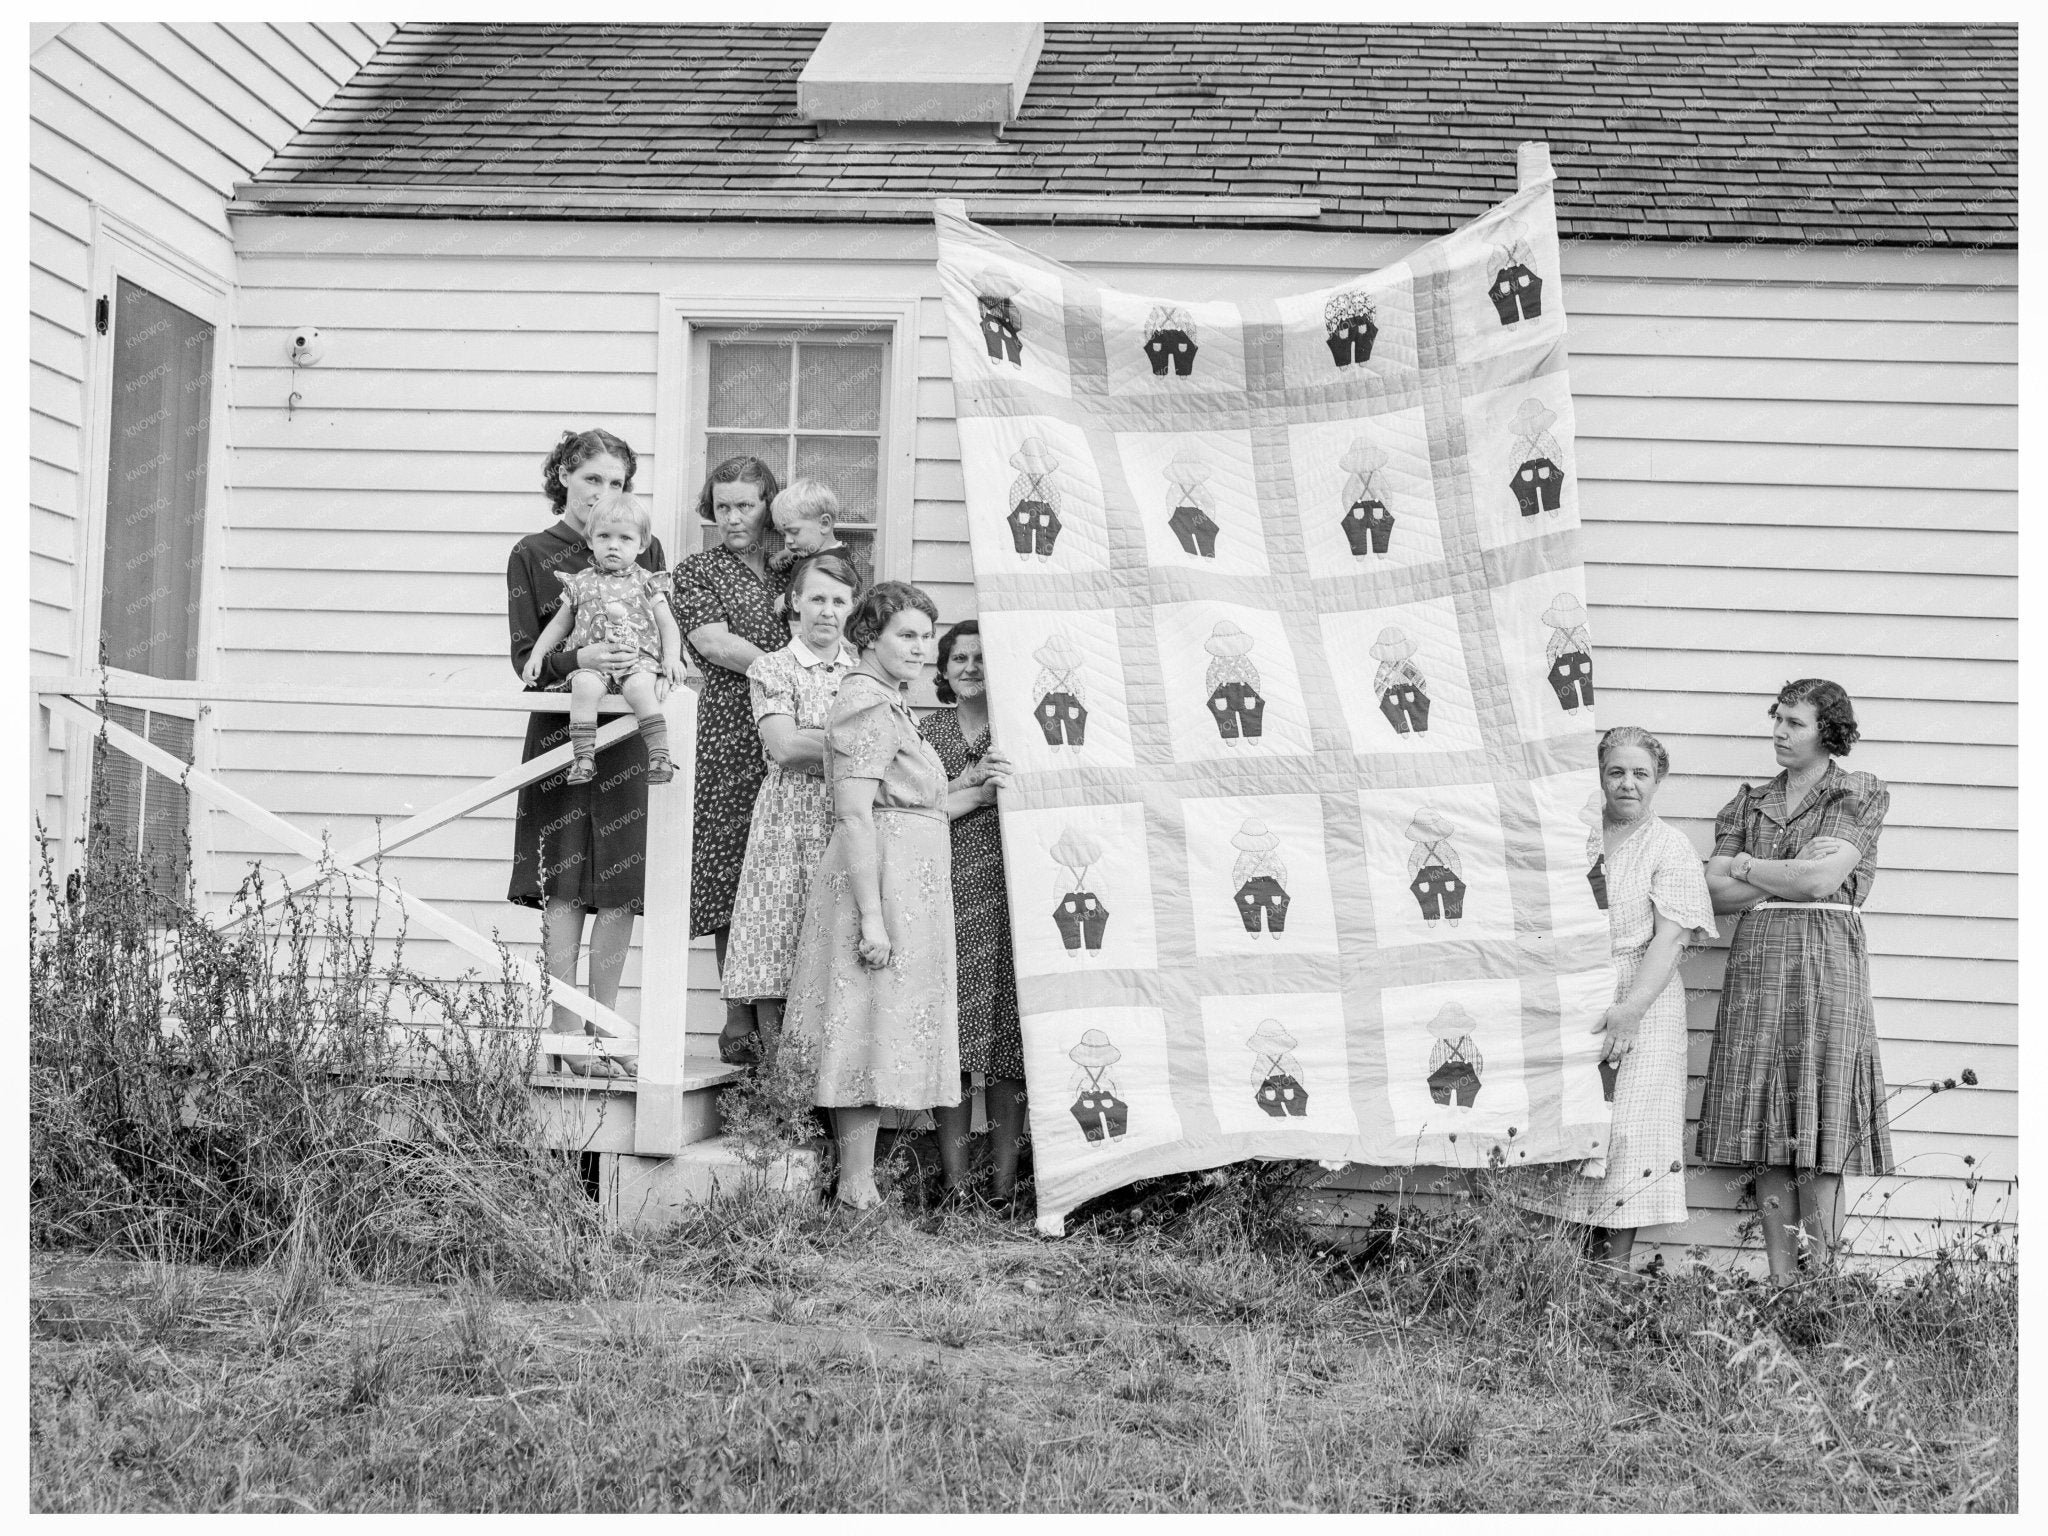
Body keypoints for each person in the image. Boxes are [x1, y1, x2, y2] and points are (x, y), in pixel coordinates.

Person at [1698, 680, 1894, 1282]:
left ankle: (1823, 1284)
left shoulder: (1857, 791)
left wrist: (1750, 867)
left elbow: (1820, 882)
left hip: (1826, 964)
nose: (1780, 732)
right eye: (1777, 719)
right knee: (1766, 1132)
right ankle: (1783, 1284)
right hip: (1757, 967)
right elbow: (1714, 892)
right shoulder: (1748, 803)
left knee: (1822, 1126)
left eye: (1795, 723)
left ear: (1828, 731)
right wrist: (1785, 870)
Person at [781, 582, 959, 1212]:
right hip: (876, 881)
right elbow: (855, 813)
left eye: (926, 636)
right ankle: (856, 1187)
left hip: (906, 881)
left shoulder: (892, 703)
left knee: (880, 1021)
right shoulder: (863, 703)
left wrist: (978, 788)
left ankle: (860, 1183)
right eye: (906, 635)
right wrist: (872, 918)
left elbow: (916, 803)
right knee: (862, 1018)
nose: (920, 648)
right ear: (868, 637)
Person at [1514, 727, 1714, 1269]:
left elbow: (1671, 939)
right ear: (1599, 776)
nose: (1628, 784)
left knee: (1628, 1133)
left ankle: (1610, 1279)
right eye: (1616, 772)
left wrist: (1630, 1010)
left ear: (1658, 780)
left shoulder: (1668, 845)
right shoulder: (1572, 835)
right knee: (1570, 1126)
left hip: (1642, 998)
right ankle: (1557, 1278)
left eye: (1640, 773)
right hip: (1575, 997)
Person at [505, 429, 662, 1073]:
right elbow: (526, 660)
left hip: (625, 735)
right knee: (565, 884)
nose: (603, 494)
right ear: (564, 476)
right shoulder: (534, 553)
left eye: (616, 483)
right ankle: (566, 1032)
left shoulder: (641, 546)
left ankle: (603, 1028)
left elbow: (660, 634)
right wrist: (580, 657)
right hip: (563, 735)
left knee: (619, 884)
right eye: (592, 478)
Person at [717, 552, 863, 1062]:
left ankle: (830, 1084)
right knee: (777, 935)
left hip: (850, 815)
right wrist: (856, 744)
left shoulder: (863, 673)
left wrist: (816, 737)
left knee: (839, 938)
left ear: (852, 607)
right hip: (788, 816)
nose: (827, 611)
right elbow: (784, 747)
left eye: (839, 601)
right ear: (795, 601)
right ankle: (781, 1085)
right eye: (817, 598)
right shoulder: (773, 666)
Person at [671, 455, 788, 1062]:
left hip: (799, 730)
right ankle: (739, 1021)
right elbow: (712, 643)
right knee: (734, 870)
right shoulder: (697, 571)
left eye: (746, 505)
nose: (733, 517)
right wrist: (789, 671)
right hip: (729, 731)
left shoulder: (796, 567)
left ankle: (787, 1026)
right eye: (722, 507)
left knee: (786, 868)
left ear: (769, 504)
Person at [918, 621, 1026, 1211]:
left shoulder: (1018, 729)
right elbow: (909, 807)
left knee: (1009, 1042)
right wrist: (971, 791)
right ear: (943, 669)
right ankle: (955, 1187)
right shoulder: (927, 732)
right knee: (952, 1041)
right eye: (958, 658)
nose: (970, 667)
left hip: (1011, 894)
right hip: (946, 891)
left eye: (981, 657)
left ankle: (1005, 1187)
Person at [521, 493, 682, 786]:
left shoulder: (647, 581)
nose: (613, 545)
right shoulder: (580, 582)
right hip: (592, 663)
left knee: (640, 689)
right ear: (590, 540)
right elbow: (559, 624)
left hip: (637, 661)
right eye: (604, 536)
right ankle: (583, 757)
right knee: (583, 686)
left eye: (625, 538)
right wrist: (537, 654)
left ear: (642, 544)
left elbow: (667, 624)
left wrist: (671, 658)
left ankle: (659, 755)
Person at [766, 477, 862, 586]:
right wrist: (784, 554)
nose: (788, 541)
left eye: (794, 531)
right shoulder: (826, 551)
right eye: (783, 534)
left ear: (824, 524)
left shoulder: (829, 567)